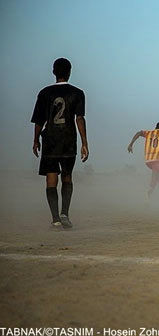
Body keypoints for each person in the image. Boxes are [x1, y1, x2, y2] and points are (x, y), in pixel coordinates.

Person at [31, 58, 88, 230]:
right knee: (67, 176)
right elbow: (79, 118)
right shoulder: (77, 93)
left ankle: (55, 219)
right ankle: (65, 213)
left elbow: (39, 120)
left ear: (53, 72)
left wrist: (35, 140)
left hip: (50, 139)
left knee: (51, 178)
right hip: (69, 139)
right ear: (70, 72)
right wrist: (85, 142)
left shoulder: (44, 93)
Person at [127, 121, 159, 198]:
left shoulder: (149, 133)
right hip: (157, 159)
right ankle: (148, 194)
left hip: (148, 160)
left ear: (156, 127)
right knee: (155, 176)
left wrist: (131, 144)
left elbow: (139, 133)